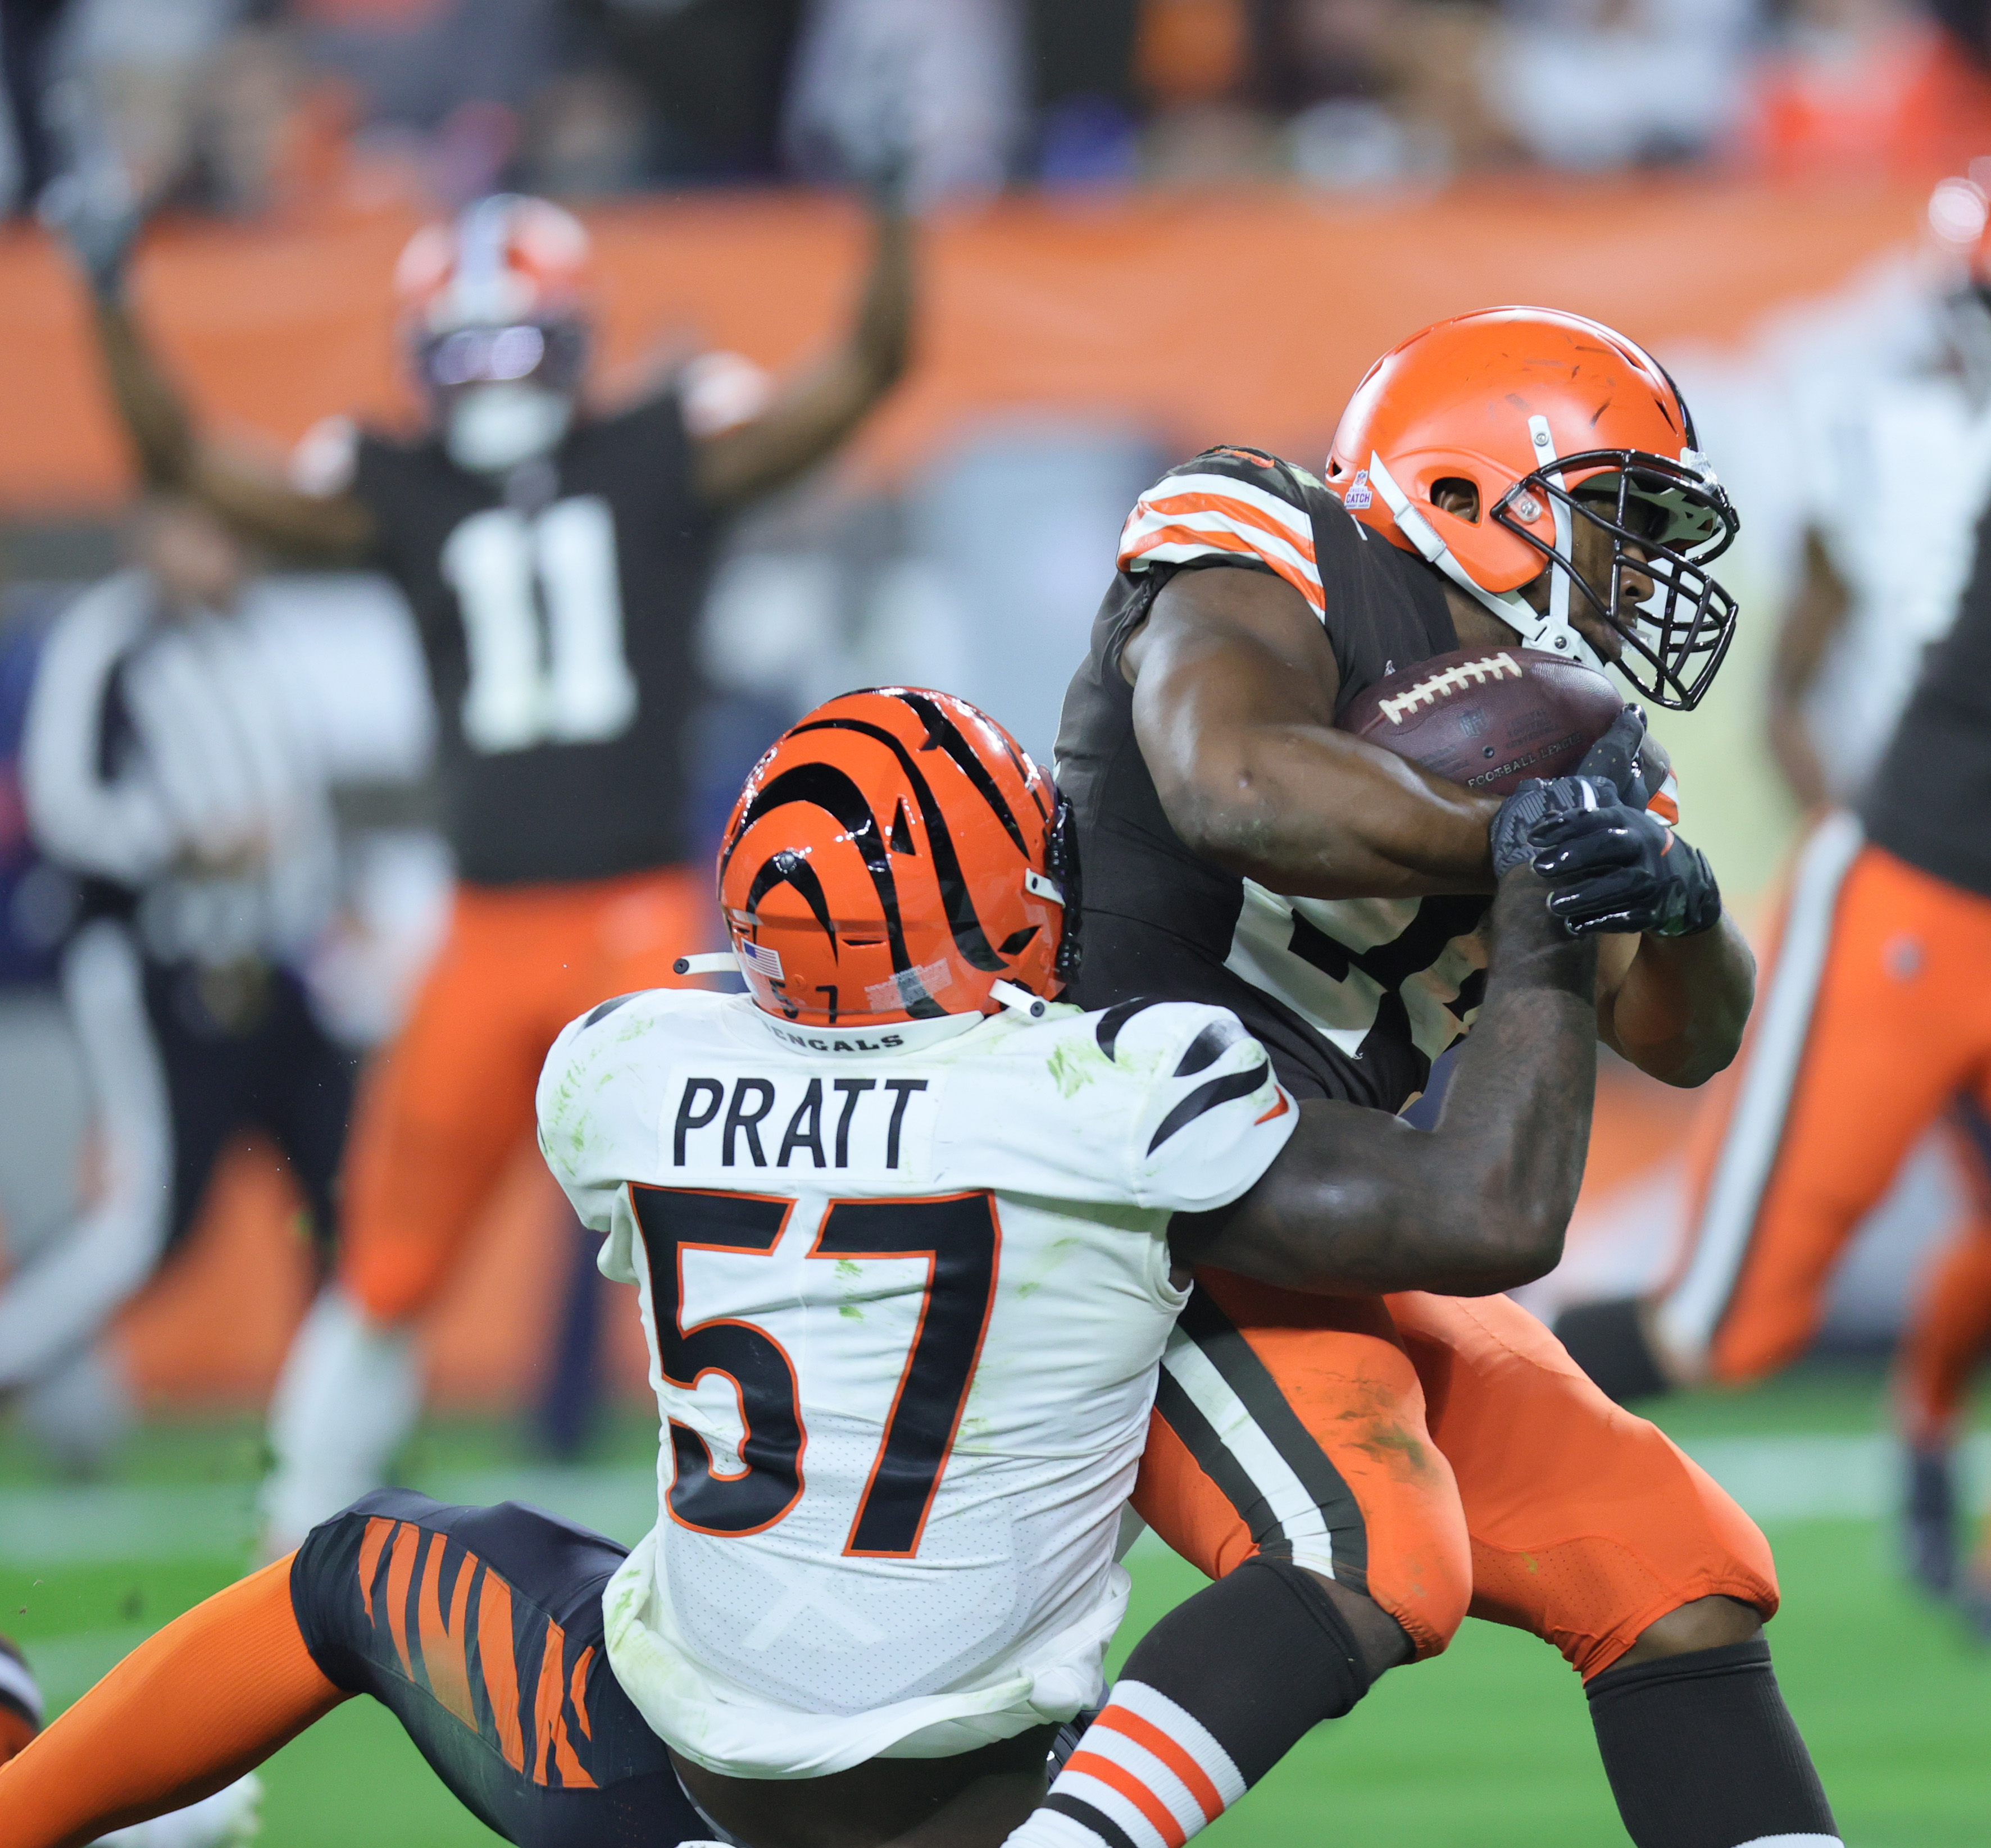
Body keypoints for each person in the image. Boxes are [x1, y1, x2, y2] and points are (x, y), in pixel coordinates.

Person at [0, 683, 1629, 1848]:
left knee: (351, 1573)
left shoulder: (623, 1069)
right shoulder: (1119, 1091)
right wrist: (1547, 924)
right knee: (1349, 1553)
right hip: (962, 1795)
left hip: (666, 1766)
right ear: (994, 891)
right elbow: (1479, 1215)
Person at [1052, 306, 1842, 1848]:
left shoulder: (1572, 735)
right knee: (1363, 1547)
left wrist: (1673, 896)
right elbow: (1232, 778)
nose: (1642, 568)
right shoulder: (1268, 538)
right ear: (1475, 495)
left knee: (1674, 1567)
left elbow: (1688, 1033)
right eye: (1618, 516)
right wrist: (1515, 840)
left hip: (1326, 1190)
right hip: (1123, 1175)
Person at [60, 178, 915, 1549]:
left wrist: (888, 208)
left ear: (574, 338)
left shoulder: (638, 448)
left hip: (630, 917)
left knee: (724, 1236)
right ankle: (295, 1555)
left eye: (513, 343)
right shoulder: (447, 480)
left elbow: (860, 376)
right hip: (491, 927)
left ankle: (782, 1520)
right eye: (466, 349)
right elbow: (193, 472)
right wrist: (108, 298)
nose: (494, 377)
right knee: (389, 1264)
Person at [1552, 210, 1991, 1630]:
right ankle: (1422, 1417)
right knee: (1722, 1328)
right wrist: (1840, 830)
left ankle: (1928, 1458)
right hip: (1911, 906)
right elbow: (1804, 674)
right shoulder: (1900, 442)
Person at [0, 494, 352, 1448]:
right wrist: (182, 843)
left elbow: (297, 798)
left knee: (347, 1190)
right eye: (206, 529)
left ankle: (338, 1424)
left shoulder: (252, 638)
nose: (227, 550)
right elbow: (63, 803)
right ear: (152, 534)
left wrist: (318, 916)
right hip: (160, 964)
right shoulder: (107, 637)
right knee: (150, 1224)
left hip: (269, 967)